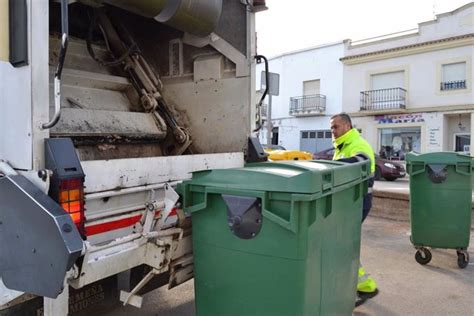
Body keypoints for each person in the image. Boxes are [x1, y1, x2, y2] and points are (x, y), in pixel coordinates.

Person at [329, 113, 378, 303]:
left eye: (336, 127)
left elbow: (361, 161)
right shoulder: (342, 145)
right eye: (331, 128)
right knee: (341, 243)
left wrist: (327, 166)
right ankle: (355, 285)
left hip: (357, 203)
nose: (333, 131)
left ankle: (365, 286)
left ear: (348, 126)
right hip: (347, 204)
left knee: (342, 244)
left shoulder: (357, 144)